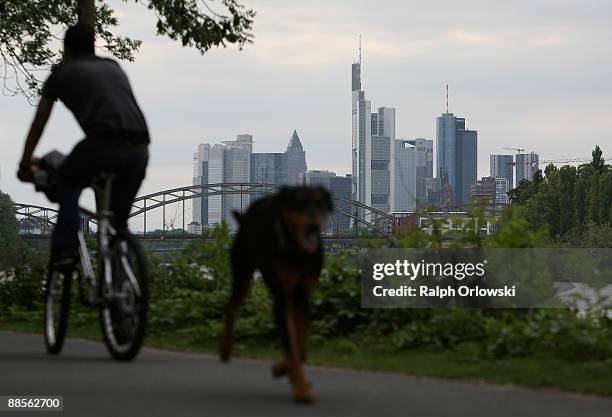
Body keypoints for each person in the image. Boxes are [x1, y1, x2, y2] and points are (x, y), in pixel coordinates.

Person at [17, 24, 149, 268]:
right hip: (140, 148)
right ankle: (128, 288)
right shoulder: (113, 66)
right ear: (93, 46)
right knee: (118, 224)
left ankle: (66, 248)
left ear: (66, 50)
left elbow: (39, 124)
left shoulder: (62, 73)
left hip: (103, 142)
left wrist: (25, 163)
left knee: (67, 180)